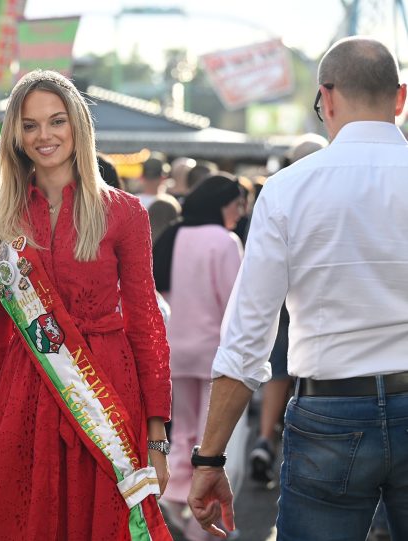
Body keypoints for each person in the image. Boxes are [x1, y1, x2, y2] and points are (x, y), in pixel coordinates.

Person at [187, 37, 408, 540]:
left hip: (330, 410)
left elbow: (248, 337)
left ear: (326, 99)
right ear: (400, 98)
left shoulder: (289, 189)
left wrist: (210, 458)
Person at [0, 70, 172, 540]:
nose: (44, 136)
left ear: (78, 125)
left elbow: (146, 327)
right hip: (24, 396)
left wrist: (156, 440)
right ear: (15, 134)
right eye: (30, 125)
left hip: (107, 393)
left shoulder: (124, 212)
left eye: (56, 121)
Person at [152, 175, 244, 541]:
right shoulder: (224, 241)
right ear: (222, 204)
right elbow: (234, 304)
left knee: (183, 432)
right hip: (214, 354)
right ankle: (202, 521)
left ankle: (175, 500)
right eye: (237, 204)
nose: (240, 212)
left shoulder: (174, 234)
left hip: (175, 349)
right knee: (214, 442)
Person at [248, 133, 327, 485]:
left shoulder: (279, 192)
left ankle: (265, 440)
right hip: (320, 303)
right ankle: (311, 453)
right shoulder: (332, 196)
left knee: (277, 372)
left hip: (281, 301)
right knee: (314, 374)